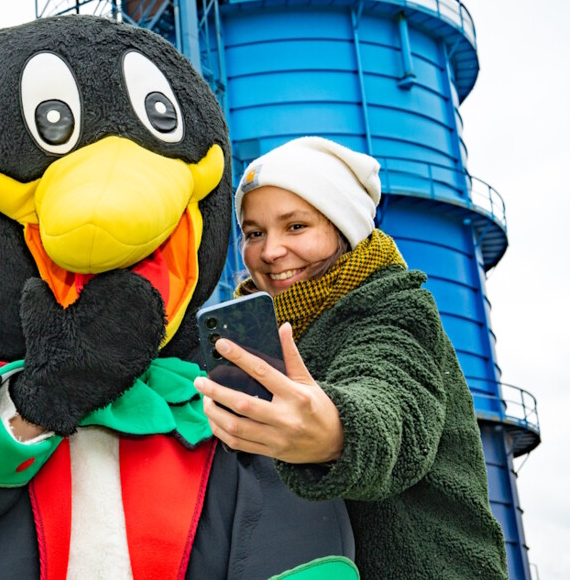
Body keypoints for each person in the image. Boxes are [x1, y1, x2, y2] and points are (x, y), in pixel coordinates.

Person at [193, 136, 509, 579]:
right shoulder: (255, 331)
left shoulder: (394, 307)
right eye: (254, 233)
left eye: (296, 226)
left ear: (343, 228)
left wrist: (335, 431)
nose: (270, 252)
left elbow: (391, 400)